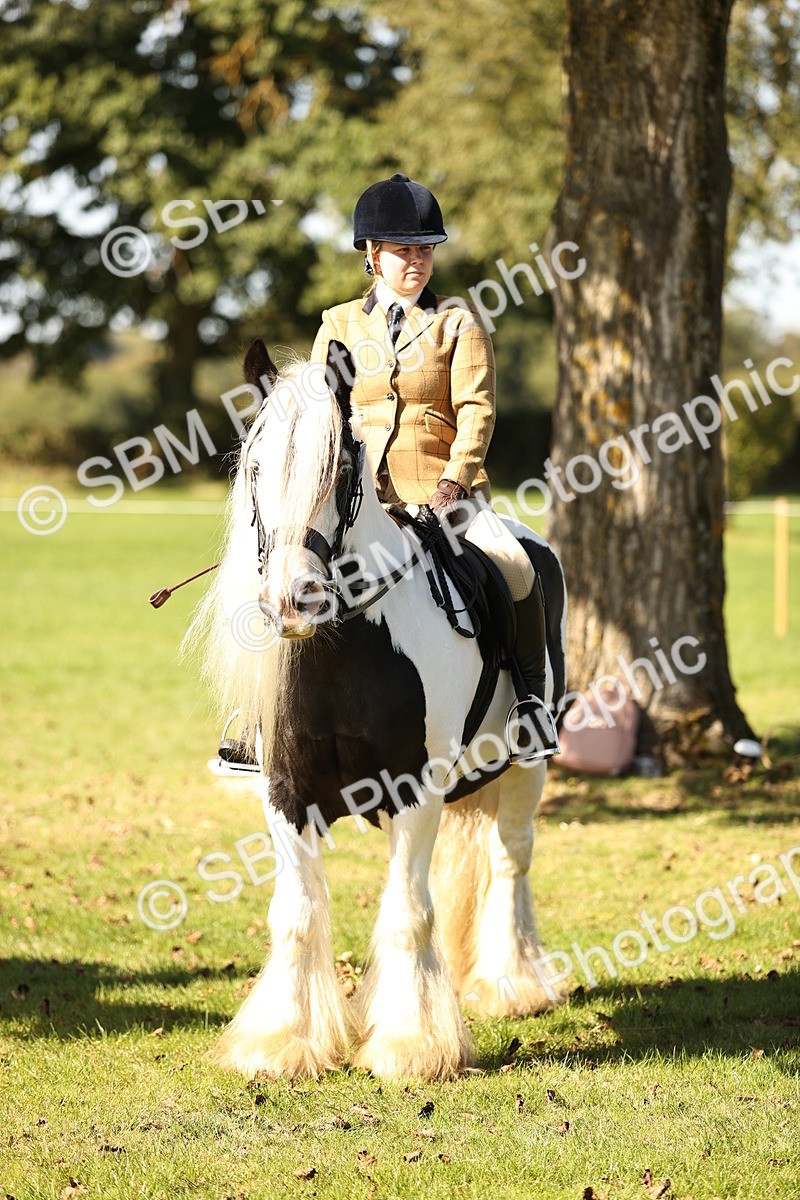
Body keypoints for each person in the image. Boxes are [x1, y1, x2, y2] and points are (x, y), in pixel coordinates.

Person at [307, 172, 559, 762]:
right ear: (372, 255)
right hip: (357, 500)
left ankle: (528, 705)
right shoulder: (337, 325)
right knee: (293, 574)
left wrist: (453, 481)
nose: (417, 262)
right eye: (403, 251)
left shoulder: (457, 321)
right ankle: (259, 724)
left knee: (517, 566)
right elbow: (321, 415)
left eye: (425, 250)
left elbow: (478, 412)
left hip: (446, 495)